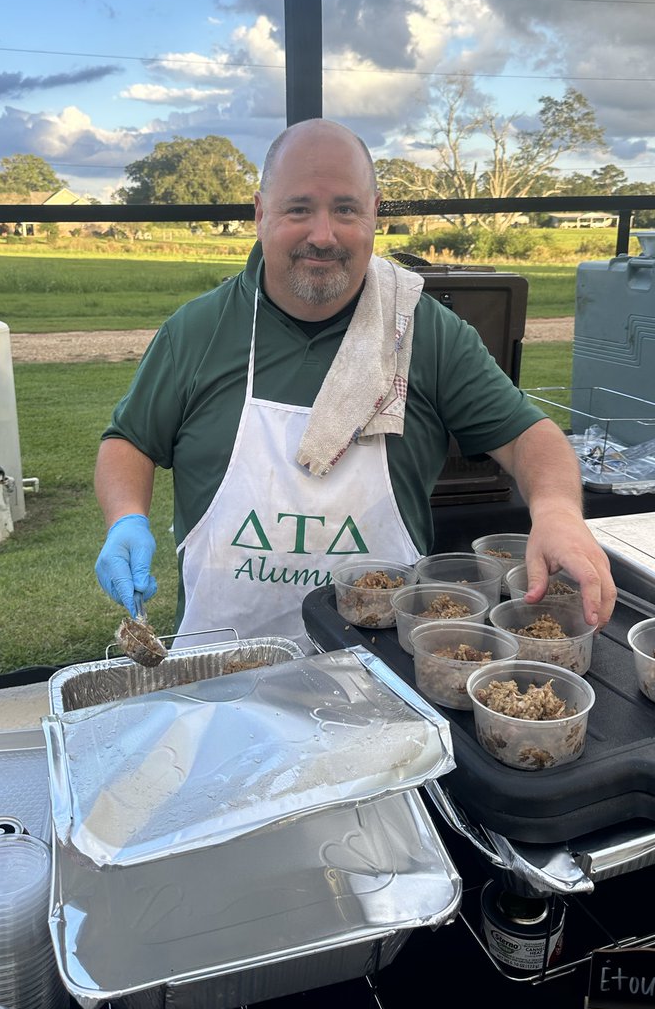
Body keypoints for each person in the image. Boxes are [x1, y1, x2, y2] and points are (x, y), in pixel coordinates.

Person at [94, 119, 616, 651]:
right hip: (220, 662)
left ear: (374, 213)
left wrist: (556, 511)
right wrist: (126, 520)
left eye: (346, 209)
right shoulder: (199, 330)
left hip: (383, 671)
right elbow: (129, 440)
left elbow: (528, 436)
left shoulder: (424, 331)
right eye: (299, 209)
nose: (323, 235)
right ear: (259, 213)